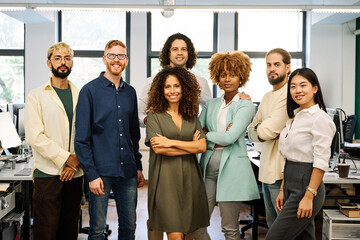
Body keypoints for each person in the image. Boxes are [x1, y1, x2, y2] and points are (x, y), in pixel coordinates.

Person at [75, 40, 144, 240]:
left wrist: (138, 166)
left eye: (120, 56)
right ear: (104, 59)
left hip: (128, 171)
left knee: (129, 227)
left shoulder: (130, 92)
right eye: (111, 55)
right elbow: (81, 139)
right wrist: (91, 174)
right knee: (97, 230)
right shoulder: (89, 91)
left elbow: (134, 135)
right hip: (100, 172)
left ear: (126, 60)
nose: (116, 59)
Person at [265, 68, 336, 240]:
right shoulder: (295, 118)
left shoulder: (320, 119)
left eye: (303, 85)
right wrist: (283, 188)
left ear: (315, 88)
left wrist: (308, 196)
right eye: (293, 86)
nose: (298, 90)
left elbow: (320, 162)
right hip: (291, 183)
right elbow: (289, 158)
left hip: (306, 186)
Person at [24, 42, 83, 240]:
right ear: (48, 62)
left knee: (69, 231)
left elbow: (86, 133)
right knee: (46, 233)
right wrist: (67, 158)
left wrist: (75, 163)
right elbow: (35, 136)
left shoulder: (81, 95)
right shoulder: (36, 96)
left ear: (72, 62)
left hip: (75, 174)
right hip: (47, 175)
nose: (63, 62)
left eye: (67, 58)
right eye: (57, 58)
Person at [199, 51, 260, 240]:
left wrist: (209, 134)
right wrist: (216, 135)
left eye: (232, 75)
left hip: (232, 171)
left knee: (230, 229)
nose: (227, 79)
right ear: (217, 76)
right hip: (208, 169)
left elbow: (230, 138)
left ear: (241, 76)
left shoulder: (245, 105)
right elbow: (197, 130)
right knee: (198, 225)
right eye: (223, 75)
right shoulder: (211, 104)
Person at [145, 66, 210, 240]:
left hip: (191, 180)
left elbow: (202, 147)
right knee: (175, 235)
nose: (172, 91)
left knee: (187, 232)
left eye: (177, 86)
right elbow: (159, 148)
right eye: (167, 86)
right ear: (161, 89)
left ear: (184, 88)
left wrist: (170, 142)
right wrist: (190, 146)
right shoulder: (154, 115)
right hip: (165, 181)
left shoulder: (191, 115)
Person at [247, 48, 291, 228]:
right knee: (273, 229)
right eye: (269, 65)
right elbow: (252, 132)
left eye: (277, 65)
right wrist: (261, 130)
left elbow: (263, 133)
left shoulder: (290, 94)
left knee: (283, 230)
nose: (272, 69)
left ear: (288, 67)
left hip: (281, 175)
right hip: (266, 173)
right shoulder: (267, 97)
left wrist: (260, 131)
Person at [138, 32, 212, 128]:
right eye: (175, 49)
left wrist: (199, 127)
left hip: (189, 141)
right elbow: (139, 115)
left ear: (189, 54)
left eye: (184, 49)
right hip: (161, 139)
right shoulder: (152, 82)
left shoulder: (200, 82)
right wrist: (148, 119)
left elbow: (210, 112)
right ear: (168, 53)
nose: (180, 53)